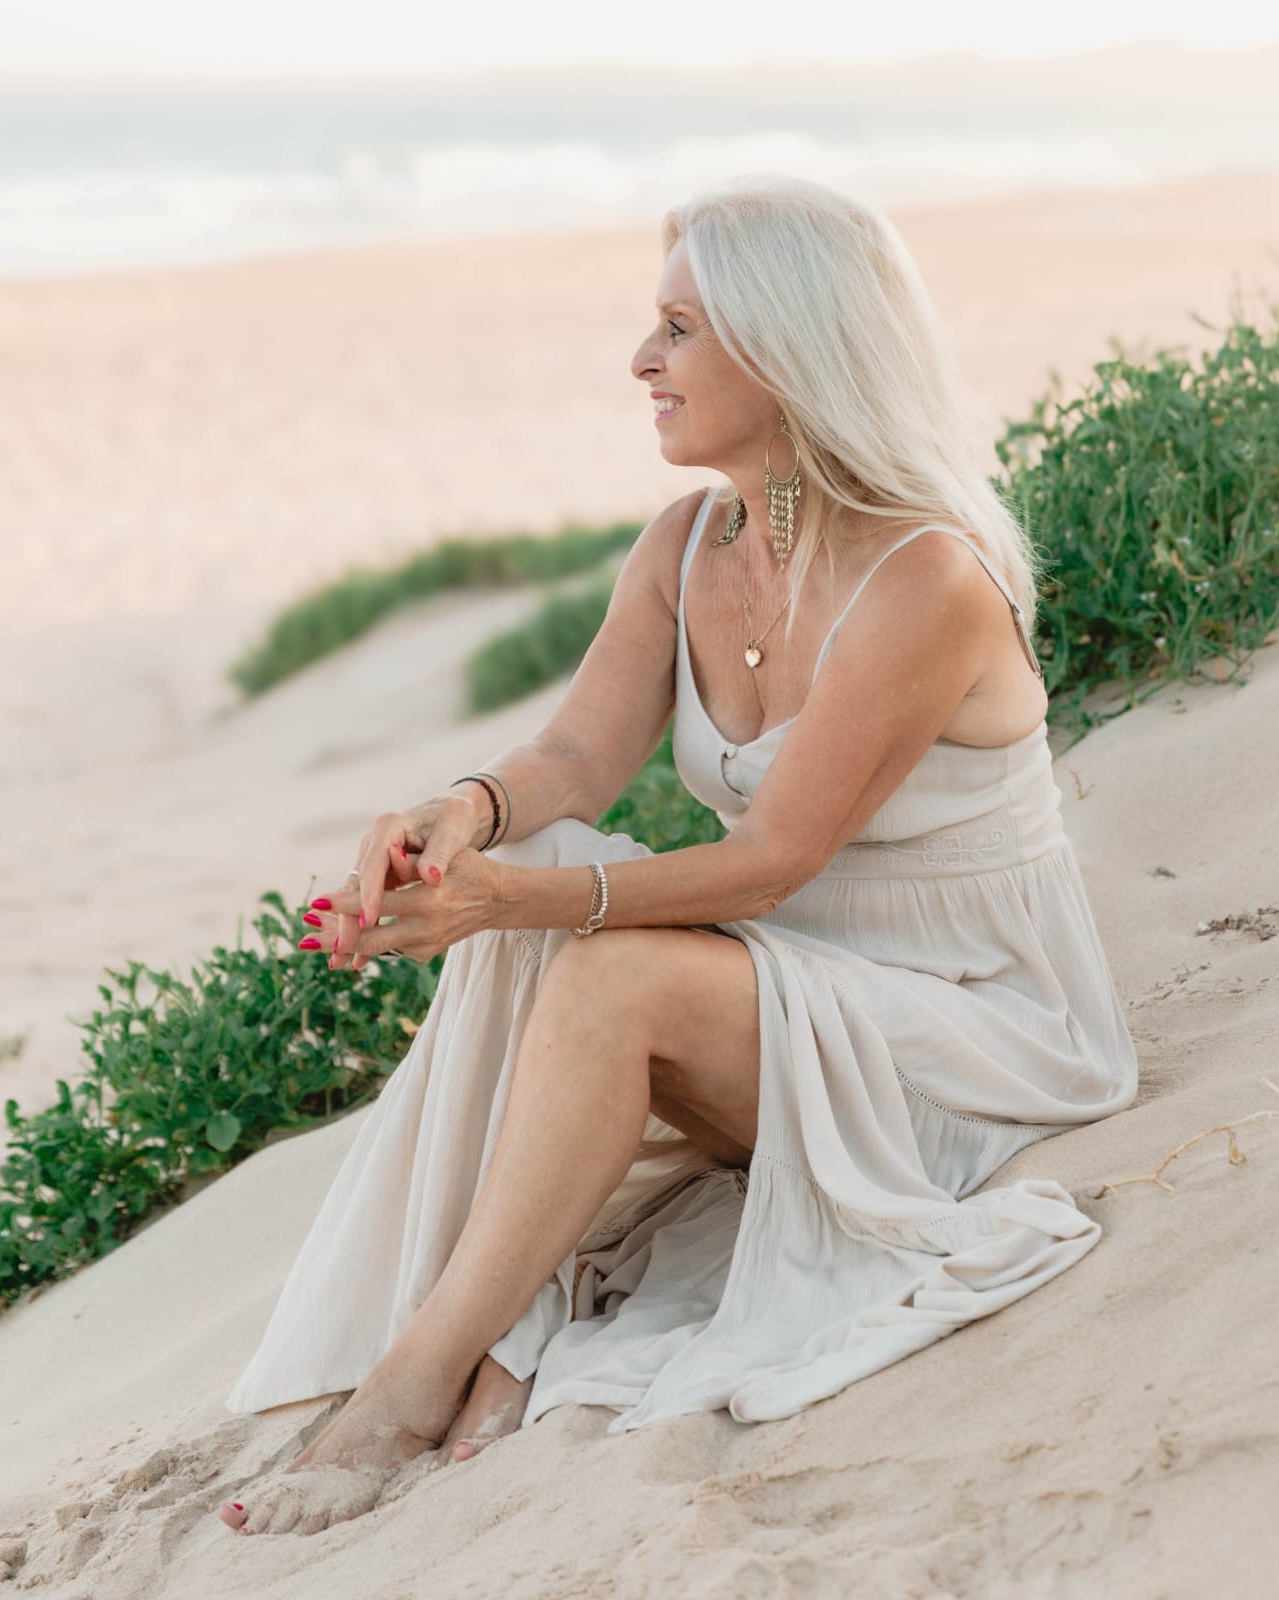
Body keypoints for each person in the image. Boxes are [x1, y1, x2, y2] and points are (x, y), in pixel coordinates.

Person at [218, 174, 1139, 1538]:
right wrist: (461, 816)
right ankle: (495, 1327)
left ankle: (410, 1383)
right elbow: (580, 759)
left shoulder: (925, 578)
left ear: (787, 347)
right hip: (802, 992)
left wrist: (515, 902)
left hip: (978, 1022)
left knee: (598, 965)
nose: (641, 363)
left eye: (678, 331)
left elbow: (771, 859)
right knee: (565, 887)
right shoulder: (688, 543)